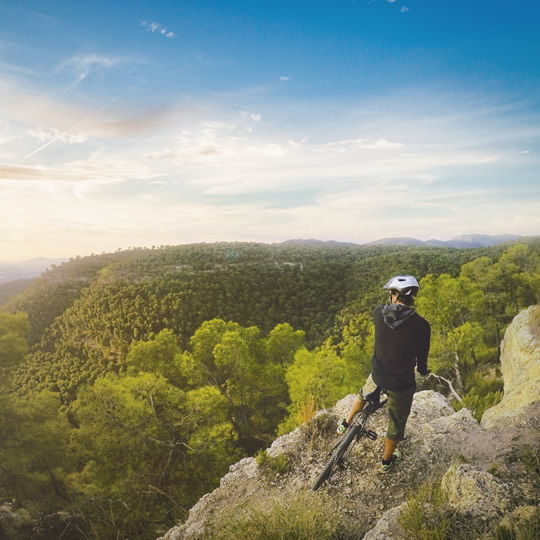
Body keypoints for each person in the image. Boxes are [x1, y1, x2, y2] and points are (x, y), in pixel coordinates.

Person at [337, 275, 431, 473]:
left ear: (396, 295)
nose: (390, 296)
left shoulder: (378, 313)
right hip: (401, 383)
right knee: (396, 422)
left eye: (391, 293)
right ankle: (386, 462)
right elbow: (422, 357)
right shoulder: (422, 326)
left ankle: (345, 424)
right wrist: (422, 370)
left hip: (378, 374)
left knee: (363, 394)